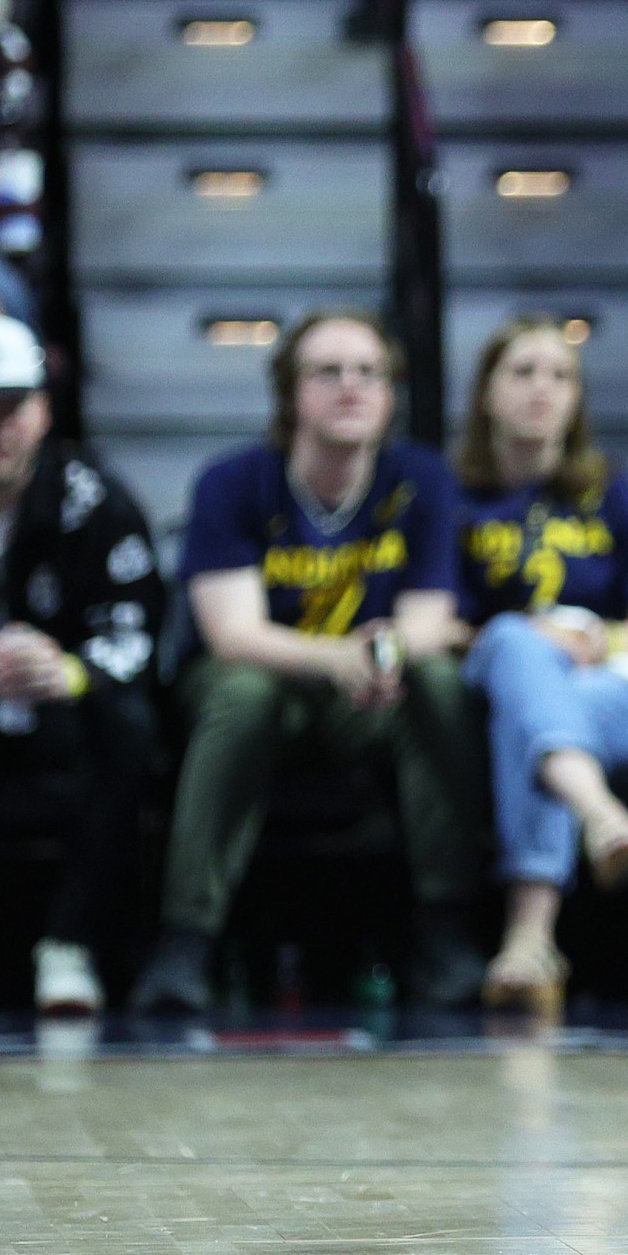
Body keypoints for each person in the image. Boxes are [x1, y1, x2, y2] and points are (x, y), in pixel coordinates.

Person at [131, 313, 483, 1017]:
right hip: (265, 681)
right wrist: (338, 657)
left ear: (391, 393)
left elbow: (427, 622)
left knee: (439, 681)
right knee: (244, 691)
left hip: (368, 692)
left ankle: (448, 929)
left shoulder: (422, 478)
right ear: (290, 393)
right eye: (328, 371)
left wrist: (381, 657)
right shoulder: (233, 481)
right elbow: (233, 634)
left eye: (368, 372)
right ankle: (185, 940)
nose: (350, 387)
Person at [454, 319, 628, 1017]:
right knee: (517, 649)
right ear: (487, 395)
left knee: (537, 712)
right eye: (523, 372)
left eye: (560, 375)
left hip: (612, 696)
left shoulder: (614, 496)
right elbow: (434, 617)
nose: (543, 389)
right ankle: (600, 816)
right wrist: (524, 638)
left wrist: (593, 641)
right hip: (495, 679)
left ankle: (530, 941)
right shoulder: (454, 498)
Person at [0, 316, 163, 1014]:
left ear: (43, 409)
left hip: (64, 710)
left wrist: (71, 670)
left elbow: (138, 626)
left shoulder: (97, 500)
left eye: (10, 409)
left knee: (128, 724)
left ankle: (70, 944)